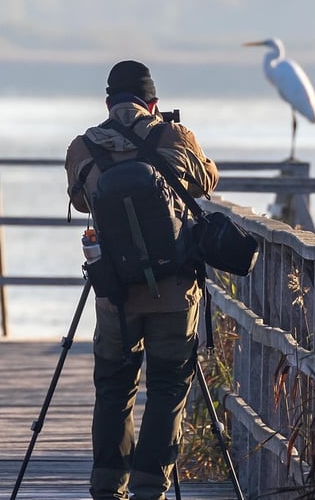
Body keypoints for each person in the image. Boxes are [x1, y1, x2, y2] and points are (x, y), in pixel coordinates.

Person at [65, 60, 219, 500]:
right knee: (169, 384)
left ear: (108, 102)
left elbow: (80, 200)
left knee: (114, 385)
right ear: (153, 103)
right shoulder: (175, 136)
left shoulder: (83, 147)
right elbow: (207, 180)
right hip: (174, 290)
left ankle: (107, 485)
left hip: (115, 291)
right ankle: (152, 487)